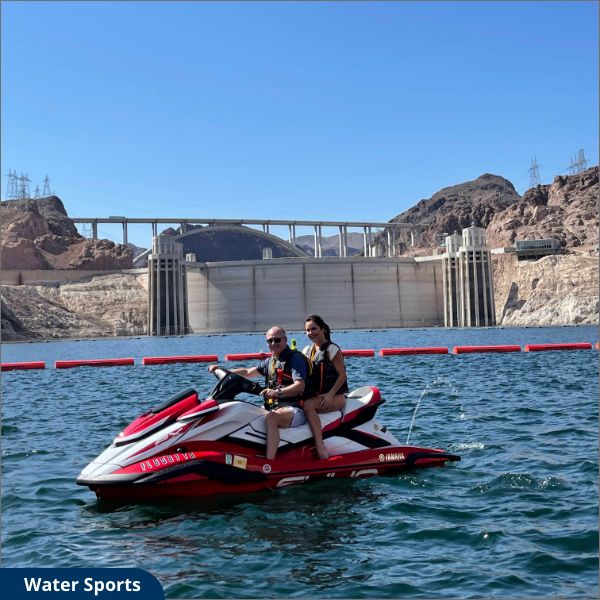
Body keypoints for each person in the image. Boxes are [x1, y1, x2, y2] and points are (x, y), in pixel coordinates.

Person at [208, 325, 310, 460]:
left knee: (271, 418)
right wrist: (223, 370)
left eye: (277, 340)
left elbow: (300, 386)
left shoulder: (294, 359)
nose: (273, 344)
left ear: (285, 340)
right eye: (270, 341)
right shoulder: (270, 362)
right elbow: (248, 372)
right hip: (274, 408)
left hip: (295, 410)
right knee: (243, 412)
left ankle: (270, 461)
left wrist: (276, 392)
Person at [301, 314, 348, 460]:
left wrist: (330, 395)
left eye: (313, 329)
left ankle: (320, 445)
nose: (310, 333)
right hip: (317, 395)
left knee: (308, 405)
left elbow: (342, 376)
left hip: (335, 397)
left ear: (322, 328)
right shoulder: (307, 351)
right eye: (307, 330)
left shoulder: (332, 350)